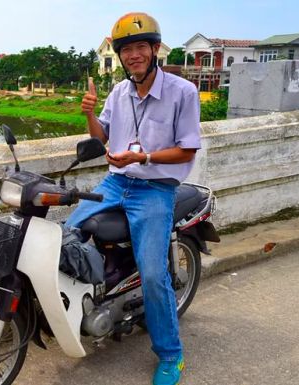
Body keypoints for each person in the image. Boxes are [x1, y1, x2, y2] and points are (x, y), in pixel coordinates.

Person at [65, 12, 201, 385]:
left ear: (155, 50)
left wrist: (143, 157)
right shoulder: (119, 93)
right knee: (64, 236)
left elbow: (187, 151)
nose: (134, 55)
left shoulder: (182, 93)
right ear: (121, 56)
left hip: (155, 189)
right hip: (114, 182)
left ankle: (172, 355)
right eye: (127, 50)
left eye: (141, 47)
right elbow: (102, 137)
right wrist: (90, 114)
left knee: (155, 273)